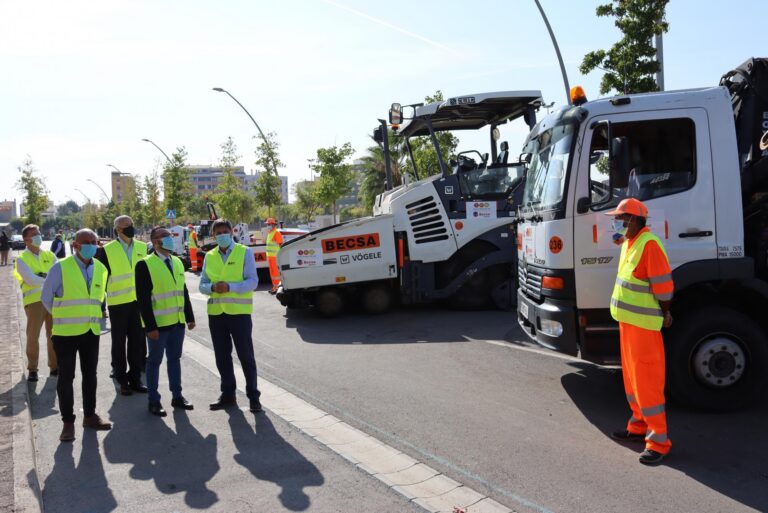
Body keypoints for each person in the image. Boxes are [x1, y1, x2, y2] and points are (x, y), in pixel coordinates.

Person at [606, 198, 673, 465]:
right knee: (633, 382)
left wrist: (666, 312)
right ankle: (638, 428)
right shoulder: (630, 243)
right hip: (628, 324)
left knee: (647, 383)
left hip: (644, 327)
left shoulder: (650, 245)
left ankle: (659, 441)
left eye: (621, 219)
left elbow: (664, 288)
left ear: (634, 220)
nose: (617, 222)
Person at [41, 228, 112, 442]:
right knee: (66, 378)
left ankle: (89, 416)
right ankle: (68, 423)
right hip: (66, 333)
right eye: (86, 241)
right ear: (75, 246)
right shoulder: (60, 268)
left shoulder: (101, 269)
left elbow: (99, 299)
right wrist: (63, 316)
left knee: (90, 376)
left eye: (94, 241)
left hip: (91, 332)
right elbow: (46, 298)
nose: (91, 244)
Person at [200, 219, 261, 413]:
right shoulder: (209, 256)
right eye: (218, 233)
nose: (222, 235)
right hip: (217, 314)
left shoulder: (244, 252)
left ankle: (253, 397)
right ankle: (228, 395)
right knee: (222, 357)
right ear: (214, 235)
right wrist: (211, 288)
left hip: (239, 314)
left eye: (225, 231)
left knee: (246, 356)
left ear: (232, 232)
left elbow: (253, 281)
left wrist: (230, 287)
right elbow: (202, 284)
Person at [135, 226, 195, 417]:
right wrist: (150, 327)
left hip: (177, 323)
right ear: (154, 242)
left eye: (169, 235)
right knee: (154, 362)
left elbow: (182, 291)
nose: (169, 238)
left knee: (175, 360)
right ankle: (154, 401)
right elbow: (143, 299)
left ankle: (177, 396)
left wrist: (189, 316)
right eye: (164, 236)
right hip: (158, 327)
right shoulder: (145, 264)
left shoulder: (177, 261)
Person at [96, 216, 148, 396]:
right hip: (118, 304)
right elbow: (100, 280)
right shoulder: (106, 250)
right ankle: (121, 378)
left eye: (132, 224)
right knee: (118, 343)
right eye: (126, 226)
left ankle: (135, 379)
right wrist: (99, 305)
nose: (131, 228)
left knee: (136, 342)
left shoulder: (142, 247)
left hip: (138, 304)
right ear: (118, 230)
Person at [13, 224, 58, 381]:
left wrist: (43, 278)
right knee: (33, 336)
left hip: (52, 300)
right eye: (35, 234)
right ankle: (33, 368)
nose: (39, 236)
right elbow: (30, 280)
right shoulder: (21, 259)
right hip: (34, 302)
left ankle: (54, 367)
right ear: (26, 239)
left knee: (53, 335)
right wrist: (48, 279)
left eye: (38, 233)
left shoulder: (49, 255)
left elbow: (58, 274)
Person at [265, 218, 283, 294]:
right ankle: (275, 287)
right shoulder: (270, 233)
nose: (268, 226)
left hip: (275, 257)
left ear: (273, 225)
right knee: (272, 274)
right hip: (270, 257)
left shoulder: (276, 233)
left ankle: (279, 289)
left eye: (269, 224)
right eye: (267, 224)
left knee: (276, 274)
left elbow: (281, 244)